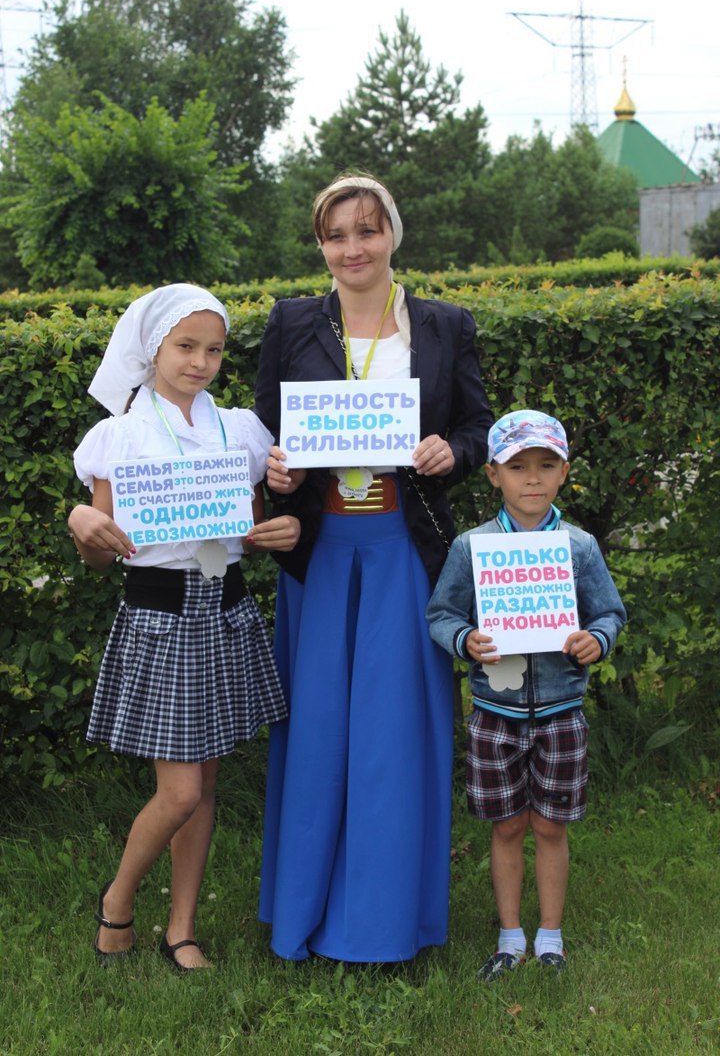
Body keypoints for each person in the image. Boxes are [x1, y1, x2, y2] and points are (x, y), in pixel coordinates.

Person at [253, 172, 493, 962]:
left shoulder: (444, 324)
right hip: (322, 553)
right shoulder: (292, 322)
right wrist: (277, 473)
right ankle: (306, 914)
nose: (352, 248)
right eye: (335, 235)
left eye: (366, 229)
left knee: (396, 737)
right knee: (319, 734)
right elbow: (262, 438)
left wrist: (452, 452)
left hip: (404, 548)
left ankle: (390, 921)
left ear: (392, 233)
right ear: (320, 245)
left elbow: (478, 428)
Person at [68, 284, 299, 971]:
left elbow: (249, 526)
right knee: (181, 791)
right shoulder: (121, 435)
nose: (200, 362)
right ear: (154, 349)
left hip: (225, 611)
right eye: (185, 346)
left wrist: (275, 532)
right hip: (161, 615)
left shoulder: (241, 430)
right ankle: (117, 899)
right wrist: (83, 526)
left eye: (214, 350)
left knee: (205, 786)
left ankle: (181, 928)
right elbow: (99, 553)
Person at [426, 409, 627, 980]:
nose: (533, 478)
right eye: (518, 467)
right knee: (508, 825)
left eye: (546, 465)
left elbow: (609, 613)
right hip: (494, 714)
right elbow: (441, 615)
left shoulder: (579, 547)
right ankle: (510, 937)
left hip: (562, 712)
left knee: (550, 826)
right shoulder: (472, 547)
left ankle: (551, 938)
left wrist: (596, 639)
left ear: (564, 472)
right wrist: (466, 640)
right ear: (493, 475)